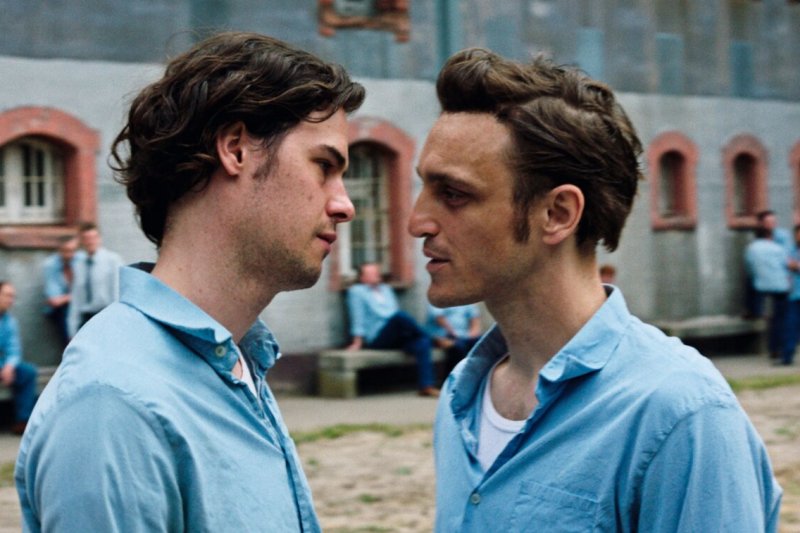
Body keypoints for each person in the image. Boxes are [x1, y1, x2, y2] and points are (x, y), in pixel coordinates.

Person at [408, 48, 782, 531]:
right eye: (423, 188)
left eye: (454, 194)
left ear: (557, 214)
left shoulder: (678, 415)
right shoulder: (463, 396)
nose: (417, 221)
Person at [16, 31, 365, 531]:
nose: (344, 204)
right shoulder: (116, 403)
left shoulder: (235, 363)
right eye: (324, 166)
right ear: (236, 149)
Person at [346, 262, 439, 397]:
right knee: (400, 317)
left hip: (396, 333)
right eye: (371, 273)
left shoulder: (386, 289)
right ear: (362, 278)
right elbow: (357, 316)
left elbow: (394, 311)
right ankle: (434, 339)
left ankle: (426, 386)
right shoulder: (357, 292)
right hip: (377, 337)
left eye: (377, 272)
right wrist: (357, 341)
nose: (376, 275)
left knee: (422, 342)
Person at [66, 222, 124, 337]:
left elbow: (117, 292)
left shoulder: (112, 260)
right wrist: (72, 327)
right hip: (85, 317)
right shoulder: (78, 263)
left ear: (99, 239)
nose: (90, 242)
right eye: (86, 238)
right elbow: (76, 296)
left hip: (105, 316)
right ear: (81, 241)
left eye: (93, 238)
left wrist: (116, 322)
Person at [745, 225, 792, 363]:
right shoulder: (777, 248)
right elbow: (787, 265)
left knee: (771, 317)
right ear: (769, 236)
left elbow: (749, 268)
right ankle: (776, 348)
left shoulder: (751, 249)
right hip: (780, 287)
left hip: (761, 288)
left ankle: (755, 312)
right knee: (780, 319)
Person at [0, 281, 38, 435]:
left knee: (28, 372)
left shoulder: (10, 321)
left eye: (13, 297)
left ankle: (23, 421)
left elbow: (14, 348)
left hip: (3, 366)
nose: (11, 300)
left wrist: (9, 366)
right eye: (7, 295)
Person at [744, 210, 792, 319]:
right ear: (761, 223)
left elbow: (787, 256)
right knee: (752, 278)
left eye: (773, 221)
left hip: (781, 268)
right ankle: (755, 311)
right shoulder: (759, 236)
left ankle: (779, 313)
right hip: (765, 270)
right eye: (768, 222)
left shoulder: (782, 235)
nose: (772, 224)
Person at [41, 235, 78, 347]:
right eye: (66, 251)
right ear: (59, 250)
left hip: (79, 305)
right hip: (61, 309)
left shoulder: (80, 260)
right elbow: (55, 300)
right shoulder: (50, 265)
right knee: (66, 311)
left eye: (73, 251)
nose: (70, 254)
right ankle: (70, 346)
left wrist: (69, 297)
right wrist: (75, 296)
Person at [426, 303, 482, 372]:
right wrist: (454, 334)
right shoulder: (440, 298)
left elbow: (475, 319)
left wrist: (473, 334)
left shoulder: (467, 301)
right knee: (458, 347)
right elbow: (439, 318)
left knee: (480, 343)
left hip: (464, 335)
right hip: (443, 335)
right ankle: (456, 375)